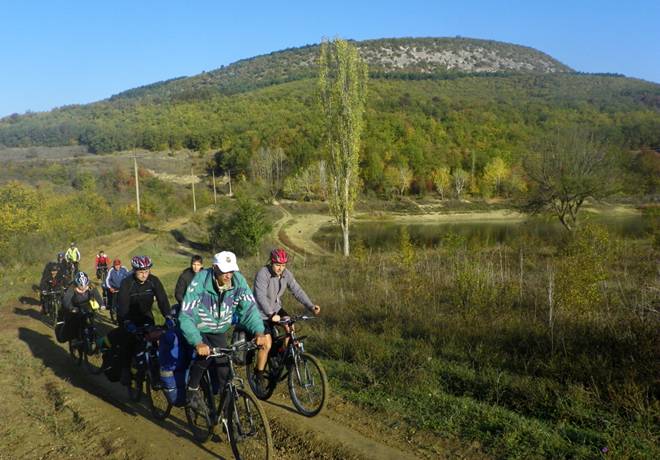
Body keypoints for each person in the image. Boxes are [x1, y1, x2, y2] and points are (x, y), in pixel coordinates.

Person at [179, 251, 267, 411]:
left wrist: (258, 331)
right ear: (214, 268)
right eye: (224, 271)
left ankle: (227, 415)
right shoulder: (200, 281)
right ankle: (191, 390)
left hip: (219, 330)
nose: (228, 275)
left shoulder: (238, 281)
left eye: (231, 270)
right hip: (200, 329)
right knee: (204, 356)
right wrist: (197, 342)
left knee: (225, 370)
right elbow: (186, 314)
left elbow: (249, 309)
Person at [252, 248, 320, 382]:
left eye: (283, 265)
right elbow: (260, 297)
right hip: (260, 312)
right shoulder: (263, 273)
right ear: (271, 262)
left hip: (276, 309)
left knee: (291, 328)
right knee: (267, 344)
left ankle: (279, 356)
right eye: (277, 265)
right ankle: (258, 375)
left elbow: (297, 291)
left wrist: (310, 306)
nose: (280, 268)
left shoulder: (286, 274)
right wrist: (270, 314)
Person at [116, 255, 171, 385]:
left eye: (146, 271)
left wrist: (168, 316)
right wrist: (126, 322)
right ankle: (125, 370)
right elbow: (122, 306)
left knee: (155, 341)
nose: (144, 275)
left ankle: (155, 369)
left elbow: (162, 300)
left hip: (146, 316)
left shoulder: (154, 281)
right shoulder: (127, 283)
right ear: (134, 270)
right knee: (128, 341)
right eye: (141, 272)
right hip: (128, 317)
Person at [61, 272, 103, 343]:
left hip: (87, 305)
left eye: (85, 285)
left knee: (92, 320)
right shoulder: (72, 288)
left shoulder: (91, 286)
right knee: (73, 322)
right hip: (75, 306)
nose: (83, 288)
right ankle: (74, 338)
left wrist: (101, 304)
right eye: (80, 286)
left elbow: (97, 295)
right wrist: (71, 308)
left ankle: (93, 337)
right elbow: (66, 300)